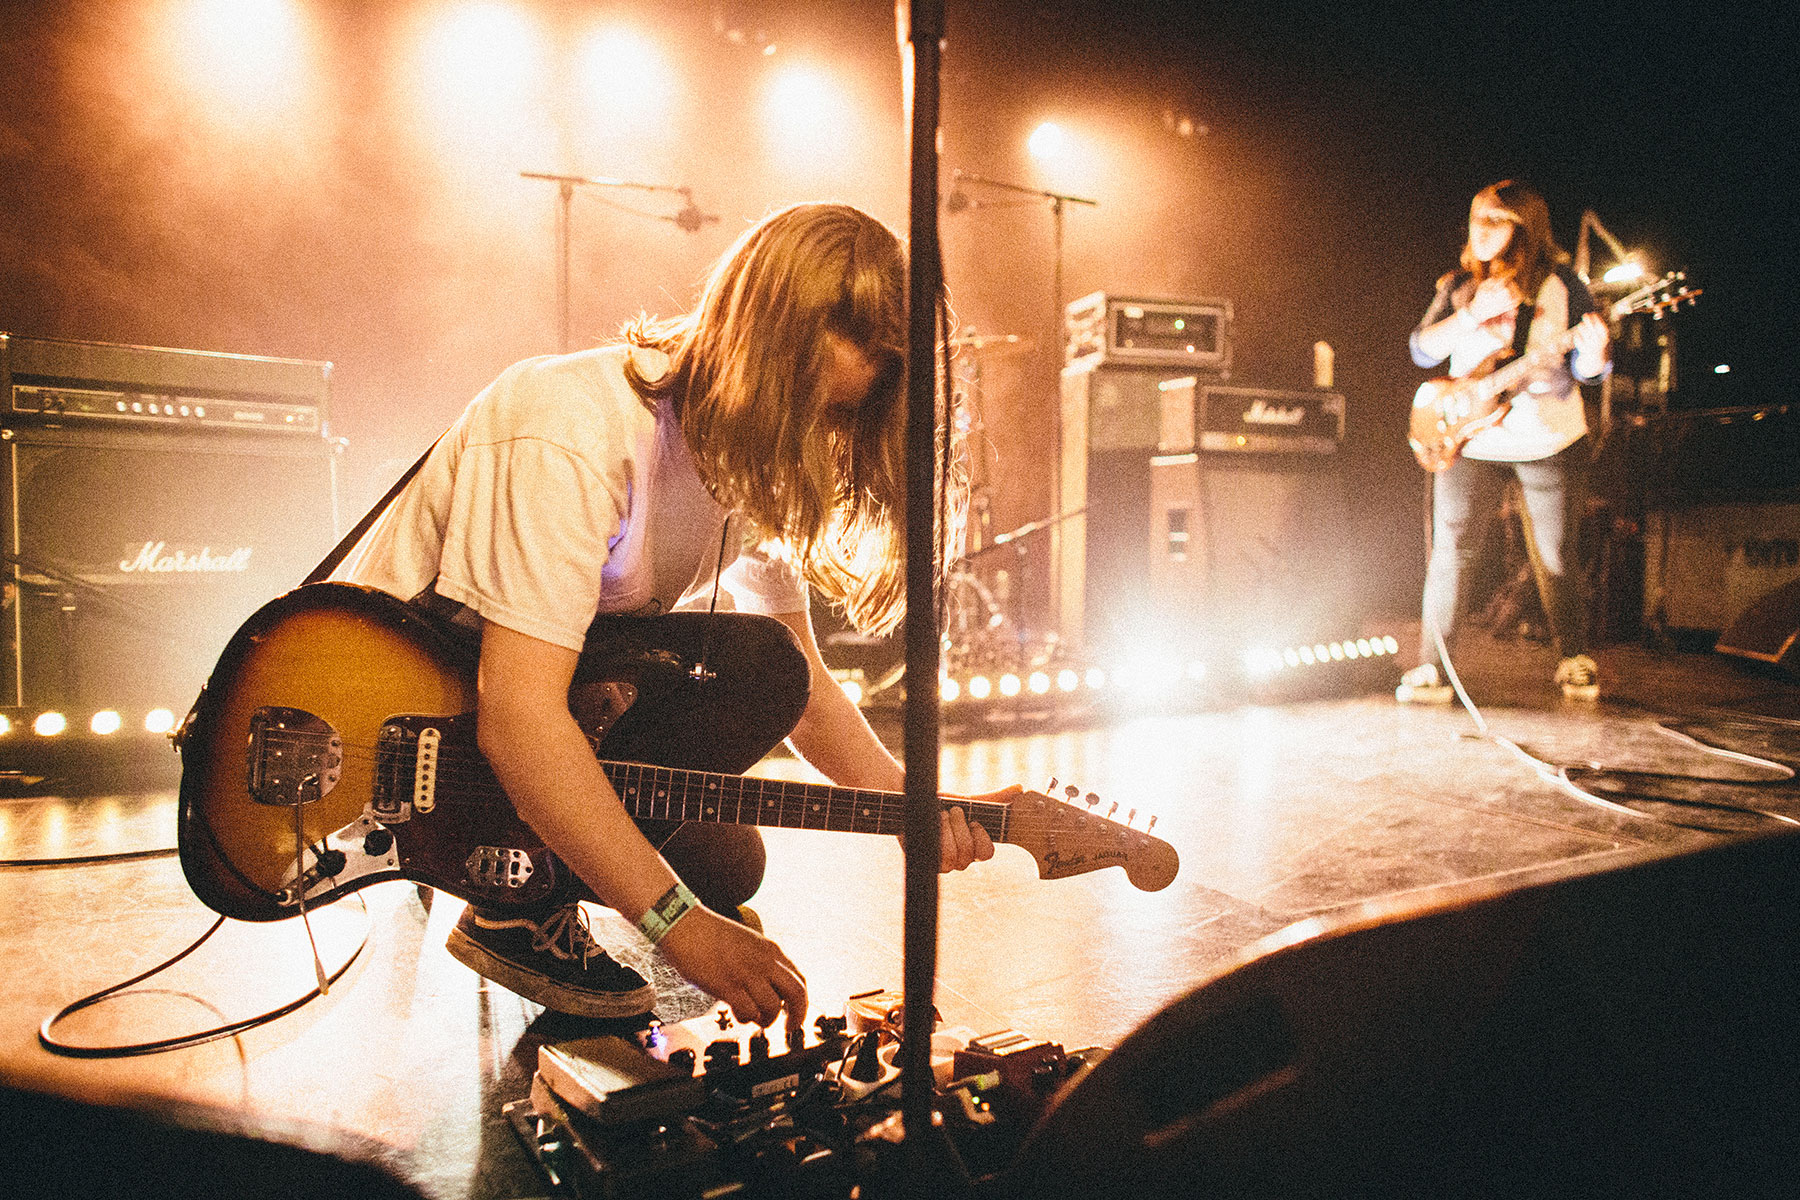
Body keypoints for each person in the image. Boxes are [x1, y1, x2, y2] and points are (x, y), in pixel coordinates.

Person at [333, 202, 998, 1032]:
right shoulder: (574, 425)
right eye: (811, 410)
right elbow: (518, 720)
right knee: (741, 709)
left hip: (519, 710)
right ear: (752, 348)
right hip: (407, 752)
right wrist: (678, 930)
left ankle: (552, 867)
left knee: (731, 856)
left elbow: (806, 684)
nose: (820, 440)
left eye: (839, 419)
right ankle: (512, 908)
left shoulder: (751, 455)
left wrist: (909, 806)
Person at [1397, 180, 1611, 705]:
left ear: (1525, 228)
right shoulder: (1458, 285)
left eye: (1496, 220)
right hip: (1470, 438)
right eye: (1476, 218)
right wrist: (1469, 315)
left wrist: (1596, 352)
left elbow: (1587, 370)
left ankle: (1574, 660)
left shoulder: (1562, 284)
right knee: (1450, 551)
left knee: (1556, 554)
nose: (1480, 230)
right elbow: (1421, 351)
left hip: (1545, 437)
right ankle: (1433, 667)